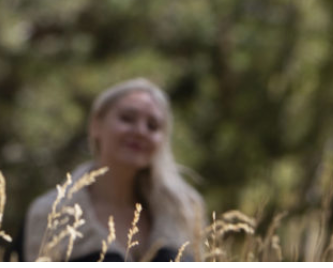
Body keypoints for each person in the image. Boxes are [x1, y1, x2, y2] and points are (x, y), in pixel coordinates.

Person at [21, 78, 204, 261]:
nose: (140, 131)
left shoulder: (184, 210)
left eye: (152, 126)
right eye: (127, 119)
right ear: (96, 125)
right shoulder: (51, 214)